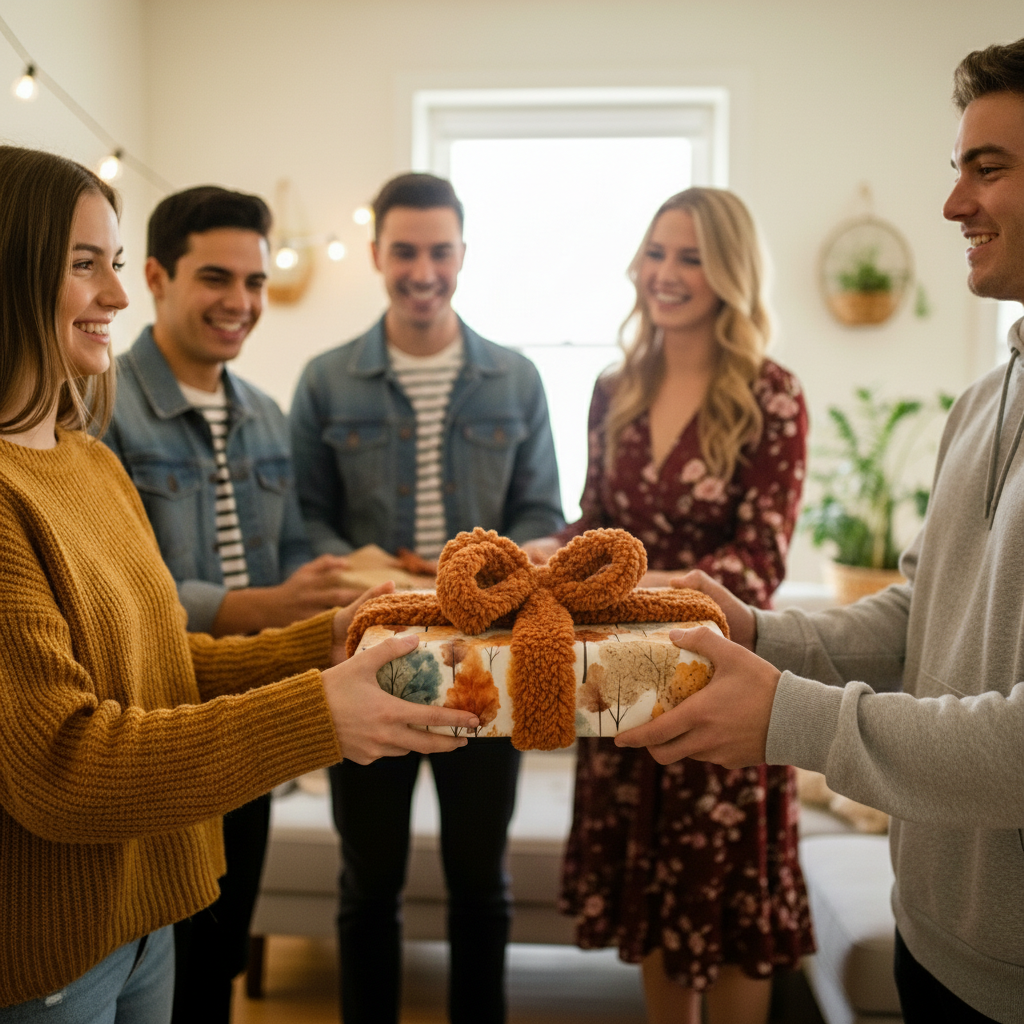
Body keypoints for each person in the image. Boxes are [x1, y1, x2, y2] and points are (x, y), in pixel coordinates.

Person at [0, 145, 479, 1020]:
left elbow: (155, 665)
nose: (114, 296)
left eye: (113, 266)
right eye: (83, 266)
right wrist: (318, 710)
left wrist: (323, 643)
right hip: (51, 955)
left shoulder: (88, 463)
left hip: (147, 917)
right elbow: (62, 767)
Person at [616, 41, 1024, 1024]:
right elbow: (921, 614)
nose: (951, 204)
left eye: (989, 167)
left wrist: (787, 712)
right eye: (957, 167)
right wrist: (756, 631)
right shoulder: (980, 404)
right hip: (934, 937)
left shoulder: (770, 394)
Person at [523, 187, 813, 1024]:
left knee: (723, 912)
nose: (667, 273)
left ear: (729, 273)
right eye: (657, 252)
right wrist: (557, 551)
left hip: (723, 684)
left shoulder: (773, 393)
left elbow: (756, 565)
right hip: (621, 681)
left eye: (690, 257)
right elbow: (598, 520)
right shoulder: (615, 388)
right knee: (651, 904)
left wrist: (624, 586)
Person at [289, 172, 564, 1024]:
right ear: (376, 255)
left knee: (481, 881)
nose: (422, 270)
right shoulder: (327, 381)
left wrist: (501, 571)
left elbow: (540, 513)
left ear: (462, 255)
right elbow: (305, 524)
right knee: (366, 882)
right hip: (373, 665)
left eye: (439, 251)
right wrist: (370, 574)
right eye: (404, 250)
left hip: (490, 666)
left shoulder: (515, 379)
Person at [101, 185, 361, 1023]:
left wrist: (336, 584)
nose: (241, 303)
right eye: (217, 277)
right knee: (155, 973)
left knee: (217, 962)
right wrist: (261, 605)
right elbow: (115, 594)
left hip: (249, 716)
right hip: (153, 730)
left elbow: (285, 558)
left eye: (253, 283)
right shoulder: (98, 408)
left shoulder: (265, 416)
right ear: (154, 276)